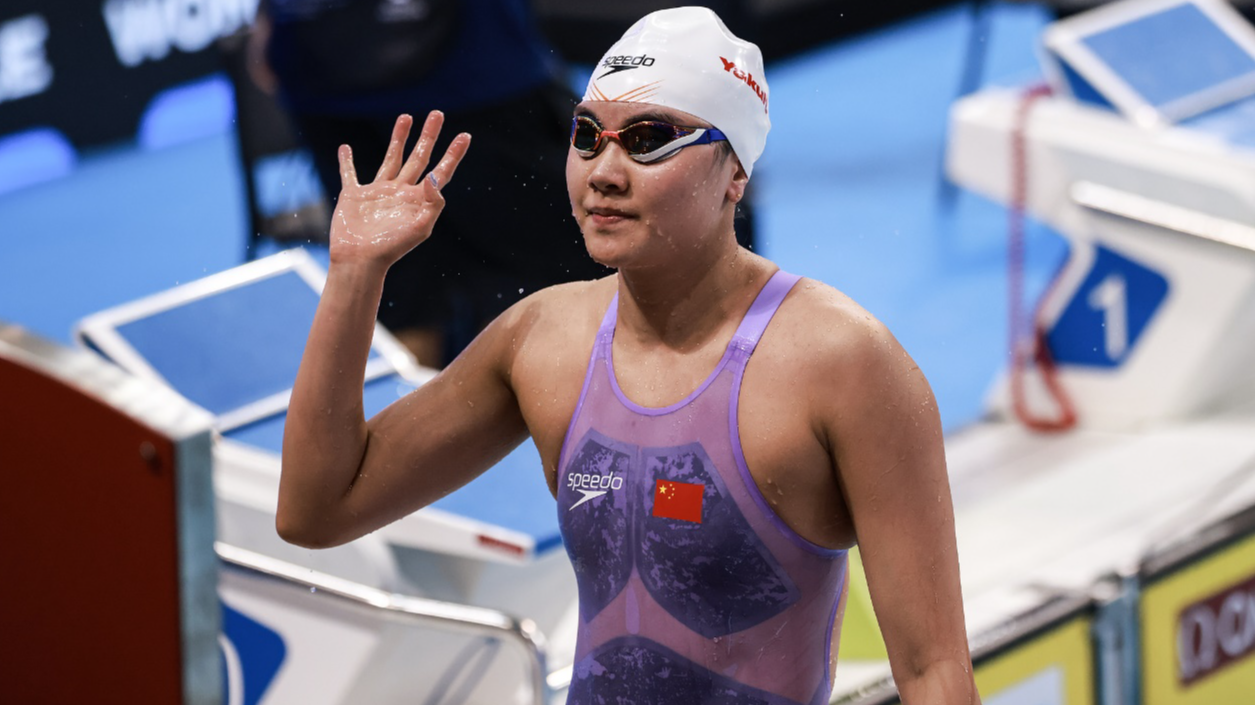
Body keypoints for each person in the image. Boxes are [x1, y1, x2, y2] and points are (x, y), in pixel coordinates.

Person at [278, 7, 979, 703]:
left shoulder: (842, 364)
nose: (605, 172)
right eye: (588, 136)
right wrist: (354, 275)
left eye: (649, 140)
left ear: (734, 170)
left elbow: (932, 672)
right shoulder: (544, 339)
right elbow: (318, 511)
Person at [249, 0, 611, 366]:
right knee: (534, 283)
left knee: (403, 292)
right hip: (470, 72)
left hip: (324, 60)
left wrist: (269, 17)